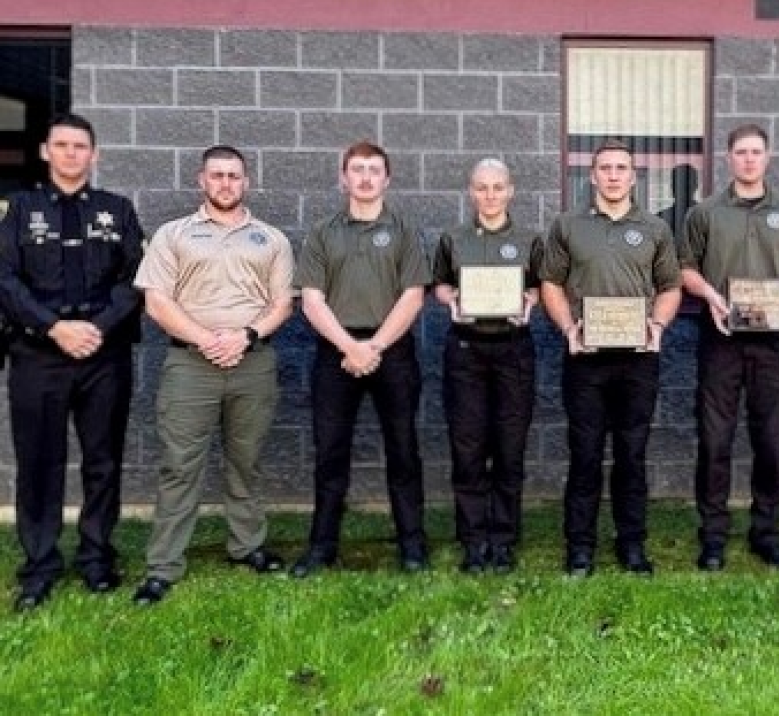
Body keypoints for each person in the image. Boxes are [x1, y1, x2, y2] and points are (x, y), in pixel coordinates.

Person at [129, 146, 294, 605]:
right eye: (217, 175)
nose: (226, 183)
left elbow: (282, 304)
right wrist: (206, 339)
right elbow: (157, 301)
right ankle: (164, 565)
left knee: (247, 460)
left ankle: (248, 546)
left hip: (252, 362)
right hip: (190, 365)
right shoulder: (173, 235)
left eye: (234, 176)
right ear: (201, 180)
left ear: (247, 182)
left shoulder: (271, 239)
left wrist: (244, 335)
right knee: (180, 465)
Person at [0, 113, 144, 611]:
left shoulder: (117, 210)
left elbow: (136, 280)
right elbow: (5, 281)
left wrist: (96, 328)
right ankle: (39, 566)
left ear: (94, 154)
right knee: (39, 463)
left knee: (102, 461)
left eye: (80, 145)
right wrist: (53, 327)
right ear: (46, 151)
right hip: (38, 353)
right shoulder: (20, 210)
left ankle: (96, 558)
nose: (70, 153)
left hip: (103, 355)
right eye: (60, 144)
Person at [539, 138, 682, 576]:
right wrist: (569, 330)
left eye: (622, 168)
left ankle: (632, 544)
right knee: (584, 453)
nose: (614, 175)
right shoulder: (567, 225)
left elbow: (670, 288)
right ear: (593, 175)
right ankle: (580, 547)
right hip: (586, 357)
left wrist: (656, 327)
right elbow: (551, 284)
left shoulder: (656, 228)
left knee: (631, 453)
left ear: (634, 176)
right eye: (606, 168)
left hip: (638, 359)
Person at [290, 141, 432, 577]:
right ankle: (321, 547)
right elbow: (311, 299)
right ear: (343, 178)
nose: (366, 178)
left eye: (374, 170)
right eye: (357, 170)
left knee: (403, 450)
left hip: (392, 351)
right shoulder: (322, 232)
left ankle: (411, 545)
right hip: (336, 352)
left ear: (387, 179)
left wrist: (375, 347)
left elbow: (413, 296)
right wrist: (350, 347)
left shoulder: (405, 231)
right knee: (330, 453)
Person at [678, 124, 779, 572]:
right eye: (741, 152)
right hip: (722, 339)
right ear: (728, 158)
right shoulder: (705, 214)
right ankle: (713, 536)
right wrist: (711, 296)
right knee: (715, 440)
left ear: (768, 157)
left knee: (772, 441)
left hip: (774, 342)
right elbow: (685, 269)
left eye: (757, 152)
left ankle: (767, 533)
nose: (749, 160)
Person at [432, 158, 542, 575]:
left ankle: (503, 540)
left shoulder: (530, 239)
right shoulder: (453, 238)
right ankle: (473, 541)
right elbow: (440, 284)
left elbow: (538, 286)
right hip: (466, 349)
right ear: (470, 191)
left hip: (513, 348)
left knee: (510, 449)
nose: (490, 196)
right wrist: (452, 302)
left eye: (498, 187)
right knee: (468, 447)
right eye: (482, 188)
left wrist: (529, 302)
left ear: (511, 191)